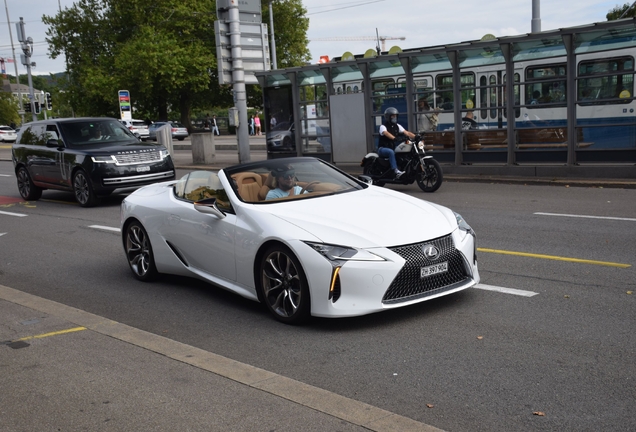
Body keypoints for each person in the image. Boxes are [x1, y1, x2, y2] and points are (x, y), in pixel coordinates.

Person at [378, 107, 416, 178]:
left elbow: (406, 132)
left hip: (392, 148)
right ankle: (395, 171)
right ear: (388, 117)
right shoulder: (383, 126)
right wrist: (395, 138)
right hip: (383, 148)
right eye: (393, 116)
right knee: (391, 152)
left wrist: (416, 137)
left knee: (403, 150)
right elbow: (386, 133)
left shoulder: (397, 126)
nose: (394, 117)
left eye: (395, 116)